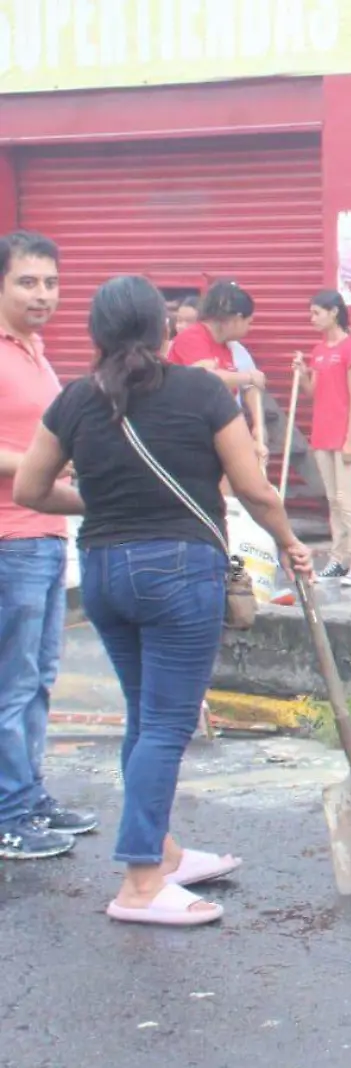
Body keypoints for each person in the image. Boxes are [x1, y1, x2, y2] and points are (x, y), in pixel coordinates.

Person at [14, 274, 314, 923]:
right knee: (169, 725)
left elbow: (32, 489)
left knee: (144, 716)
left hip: (101, 571)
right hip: (178, 573)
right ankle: (141, 882)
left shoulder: (73, 401)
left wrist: (103, 502)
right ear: (165, 329)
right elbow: (255, 489)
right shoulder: (202, 391)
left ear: (96, 334)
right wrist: (291, 542)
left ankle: (165, 851)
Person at [0, 230, 96, 862]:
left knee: (39, 680)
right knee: (12, 683)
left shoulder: (35, 350)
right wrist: (41, 472)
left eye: (51, 283)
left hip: (45, 535)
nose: (43, 294)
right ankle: (9, 813)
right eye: (27, 282)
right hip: (9, 538)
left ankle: (29, 795)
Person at [292, 290, 351, 585]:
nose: (312, 318)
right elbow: (312, 393)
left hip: (345, 436)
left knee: (346, 499)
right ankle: (338, 560)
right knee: (332, 500)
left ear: (333, 312)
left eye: (316, 313)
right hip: (322, 435)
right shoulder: (318, 350)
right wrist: (302, 373)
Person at [169, 281, 269, 475]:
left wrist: (256, 429)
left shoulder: (228, 346)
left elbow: (248, 387)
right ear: (236, 319)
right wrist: (247, 377)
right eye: (249, 322)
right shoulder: (192, 337)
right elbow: (205, 377)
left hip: (219, 432)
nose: (249, 329)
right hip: (190, 435)